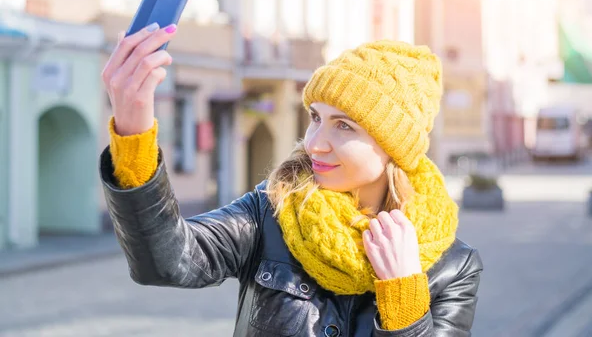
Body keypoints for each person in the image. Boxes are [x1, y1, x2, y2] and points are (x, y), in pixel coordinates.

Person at [99, 23, 483, 337]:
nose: (314, 144)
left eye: (344, 126)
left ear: (394, 149)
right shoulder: (270, 213)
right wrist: (134, 132)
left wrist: (403, 296)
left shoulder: (453, 267)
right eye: (315, 117)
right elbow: (165, 261)